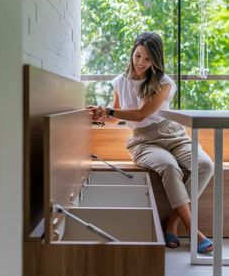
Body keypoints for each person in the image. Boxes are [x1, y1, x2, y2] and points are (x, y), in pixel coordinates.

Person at [88, 31, 214, 253]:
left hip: (172, 134)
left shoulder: (164, 82)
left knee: (205, 165)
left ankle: (173, 222)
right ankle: (194, 231)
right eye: (138, 56)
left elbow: (141, 113)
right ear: (132, 52)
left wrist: (109, 110)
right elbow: (117, 116)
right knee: (168, 166)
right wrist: (100, 114)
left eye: (147, 59)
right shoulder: (120, 81)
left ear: (156, 60)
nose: (141, 63)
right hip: (143, 141)